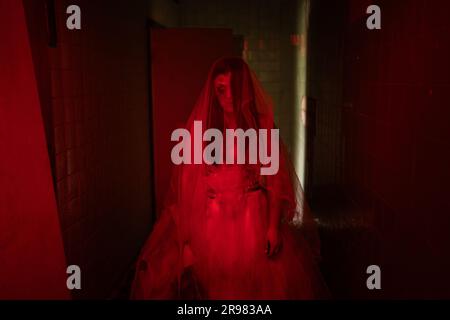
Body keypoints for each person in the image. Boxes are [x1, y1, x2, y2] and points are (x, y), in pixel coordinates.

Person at [130, 57, 330, 299]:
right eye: (220, 90)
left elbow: (274, 179)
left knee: (256, 286)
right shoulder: (204, 127)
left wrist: (272, 227)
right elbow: (188, 183)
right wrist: (189, 235)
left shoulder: (261, 125)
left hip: (251, 217)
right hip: (214, 219)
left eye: (232, 90)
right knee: (218, 285)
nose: (227, 98)